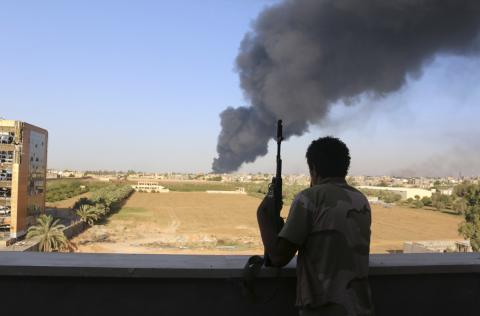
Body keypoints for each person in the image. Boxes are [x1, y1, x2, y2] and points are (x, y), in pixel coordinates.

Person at [257, 136, 374, 316]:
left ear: (313, 168)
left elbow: (278, 256)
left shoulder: (310, 198)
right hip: (359, 308)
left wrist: (263, 214)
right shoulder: (361, 200)